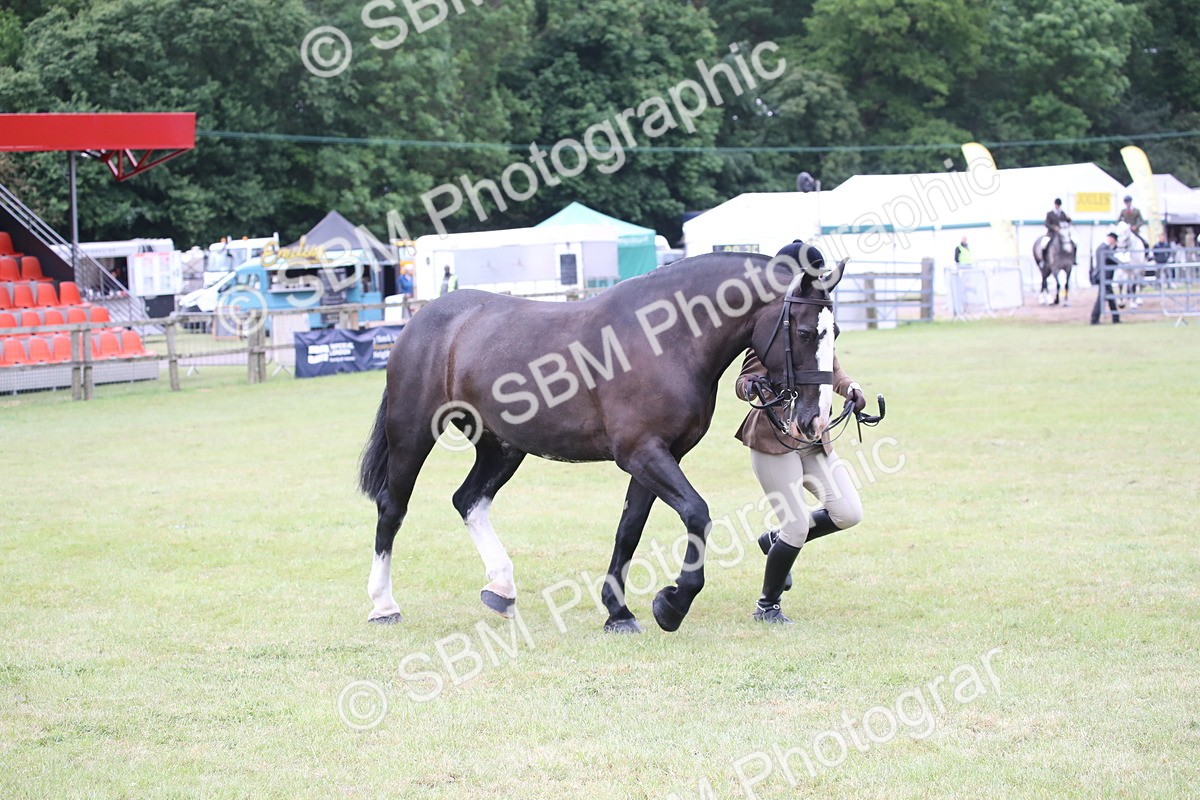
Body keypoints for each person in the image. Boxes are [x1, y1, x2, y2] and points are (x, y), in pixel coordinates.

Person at [734, 240, 866, 624]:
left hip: (812, 439)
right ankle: (767, 606)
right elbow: (744, 381)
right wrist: (755, 390)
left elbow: (832, 369)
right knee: (797, 524)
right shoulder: (775, 330)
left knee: (848, 513)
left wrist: (852, 388)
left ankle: (773, 543)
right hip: (774, 442)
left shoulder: (814, 325)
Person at [1091, 232, 1122, 325]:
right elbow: (1111, 259)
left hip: (1106, 277)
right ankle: (1094, 319)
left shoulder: (1103, 247)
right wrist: (1120, 261)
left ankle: (1115, 318)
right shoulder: (1104, 248)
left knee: (1110, 298)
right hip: (1104, 276)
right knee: (1101, 298)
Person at [1043, 198, 1072, 266]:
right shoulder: (1050, 214)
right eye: (1057, 205)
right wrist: (1053, 227)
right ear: (1055, 205)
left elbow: (1067, 222)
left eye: (1059, 206)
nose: (1058, 207)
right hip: (1052, 234)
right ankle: (1044, 261)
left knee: (1073, 243)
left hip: (1061, 234)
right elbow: (1046, 224)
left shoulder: (1062, 213)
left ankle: (1073, 259)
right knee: (1044, 244)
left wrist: (1069, 219)